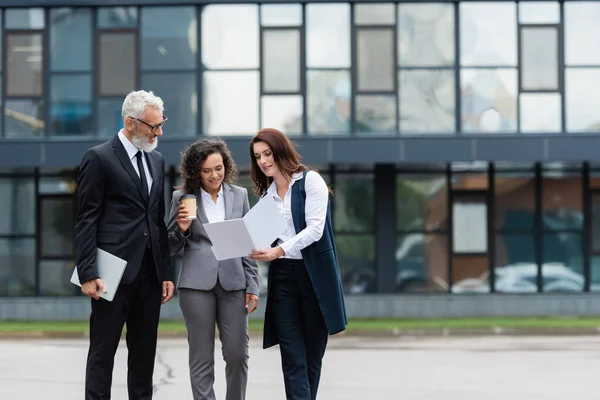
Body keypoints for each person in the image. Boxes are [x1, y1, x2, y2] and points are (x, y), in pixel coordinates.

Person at [74, 90, 175, 400]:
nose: (158, 132)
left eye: (161, 124)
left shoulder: (156, 160)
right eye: (152, 126)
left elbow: (157, 220)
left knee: (144, 355)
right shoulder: (99, 157)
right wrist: (87, 271)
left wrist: (166, 272)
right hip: (110, 273)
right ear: (130, 123)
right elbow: (86, 219)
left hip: (149, 274)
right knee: (103, 353)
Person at [248, 128, 347, 400]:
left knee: (312, 357)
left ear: (281, 151)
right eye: (258, 157)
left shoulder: (311, 181)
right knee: (292, 356)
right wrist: (247, 245)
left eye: (267, 153)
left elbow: (315, 229)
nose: (263, 161)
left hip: (314, 276)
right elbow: (260, 238)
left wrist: (278, 250)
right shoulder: (266, 196)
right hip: (283, 278)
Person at [167, 138, 260, 400]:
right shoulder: (182, 198)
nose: (214, 175)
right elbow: (169, 246)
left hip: (234, 283)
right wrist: (182, 229)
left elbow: (246, 242)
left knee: (237, 354)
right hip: (196, 286)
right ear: (196, 171)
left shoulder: (239, 195)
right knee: (201, 355)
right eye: (207, 170)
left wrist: (252, 284)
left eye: (218, 168)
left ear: (226, 166)